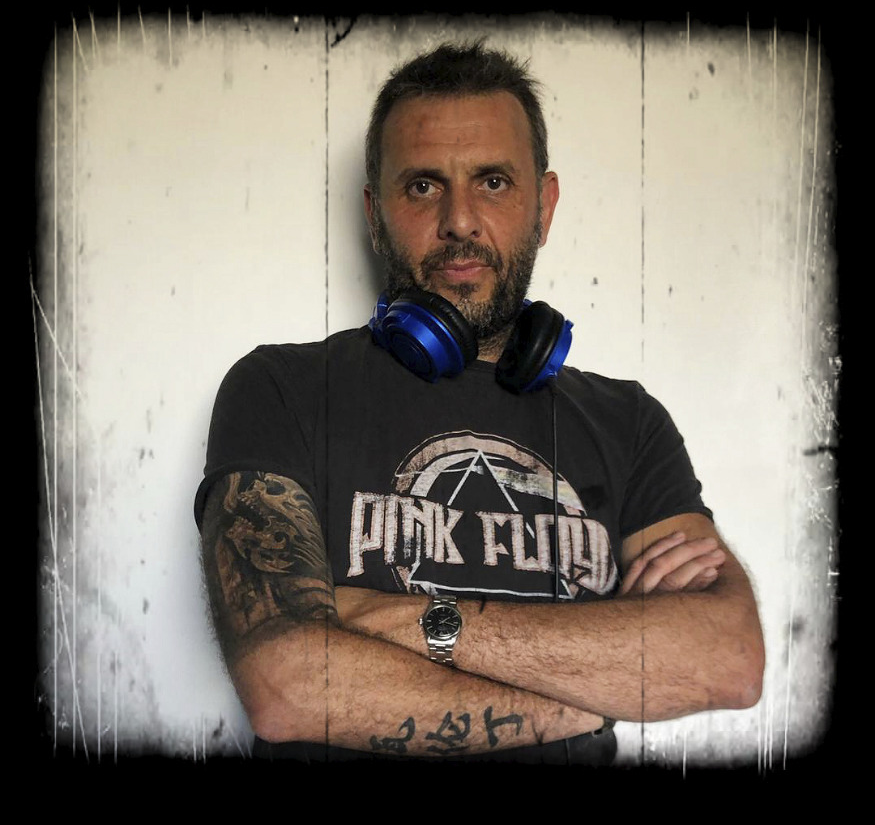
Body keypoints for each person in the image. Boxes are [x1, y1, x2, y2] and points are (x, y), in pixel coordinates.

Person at [194, 41, 765, 764]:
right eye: (422, 186)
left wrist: (401, 620)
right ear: (374, 212)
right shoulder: (283, 388)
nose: (460, 220)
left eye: (493, 182)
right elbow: (290, 687)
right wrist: (604, 688)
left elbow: (726, 659)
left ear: (544, 206)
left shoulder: (628, 422)